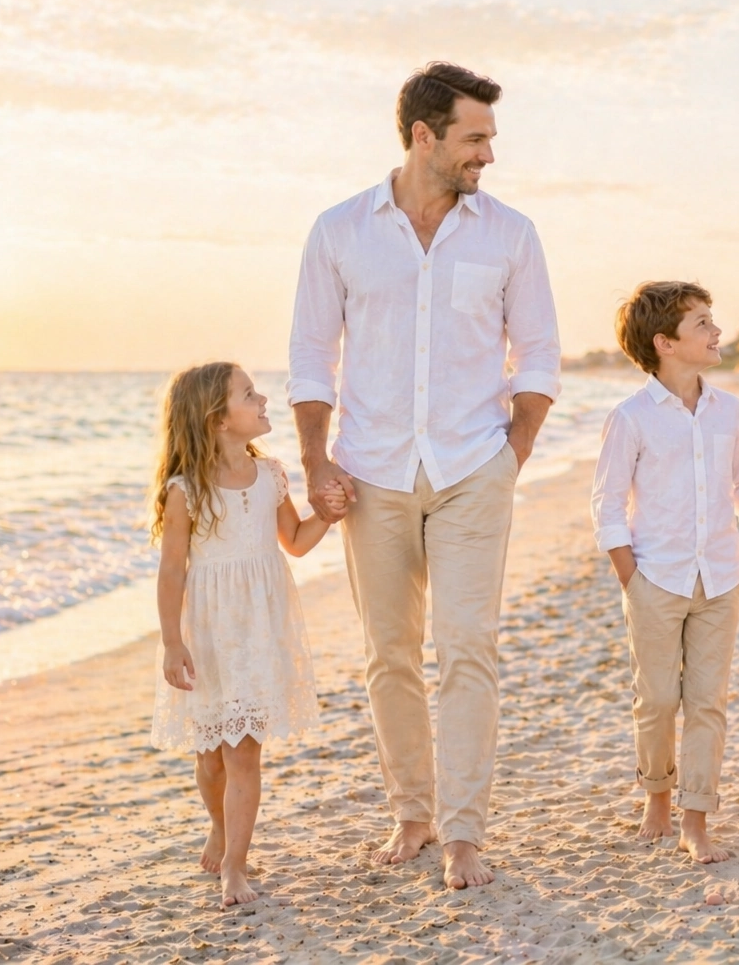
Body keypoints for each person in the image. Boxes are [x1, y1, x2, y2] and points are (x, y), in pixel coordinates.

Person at [287, 62, 561, 889]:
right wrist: (314, 458)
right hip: (371, 472)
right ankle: (413, 811)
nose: (488, 155)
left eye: (489, 138)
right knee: (390, 653)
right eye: (475, 137)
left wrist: (514, 451)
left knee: (469, 648)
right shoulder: (339, 231)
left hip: (475, 464)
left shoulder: (509, 232)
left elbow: (539, 351)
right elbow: (310, 352)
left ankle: (464, 831)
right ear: (423, 135)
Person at [591, 282, 739, 864]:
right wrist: (633, 578)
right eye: (702, 323)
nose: (716, 331)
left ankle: (695, 818)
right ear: (665, 343)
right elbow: (606, 506)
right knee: (654, 700)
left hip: (720, 579)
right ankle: (657, 796)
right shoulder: (630, 418)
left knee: (708, 702)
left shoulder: (731, 410)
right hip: (656, 578)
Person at [150, 362, 340, 907]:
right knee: (210, 756)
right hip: (209, 635)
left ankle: (237, 864)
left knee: (243, 754)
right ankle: (219, 825)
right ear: (217, 419)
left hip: (258, 632)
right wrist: (171, 641)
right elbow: (172, 571)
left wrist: (327, 514)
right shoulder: (186, 490)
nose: (263, 400)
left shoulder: (272, 476)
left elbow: (296, 542)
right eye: (249, 394)